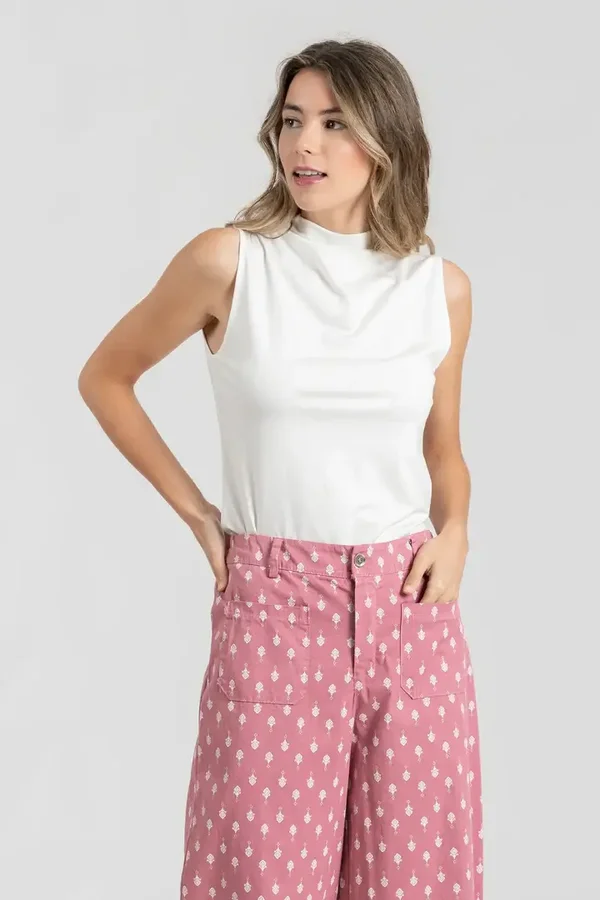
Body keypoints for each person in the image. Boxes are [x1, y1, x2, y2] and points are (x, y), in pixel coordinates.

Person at [78, 37, 483, 900]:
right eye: (293, 120)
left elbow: (443, 448)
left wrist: (455, 530)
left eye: (335, 124)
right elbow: (106, 377)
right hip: (277, 610)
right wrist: (200, 515)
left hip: (411, 610)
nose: (304, 143)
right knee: (258, 881)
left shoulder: (439, 288)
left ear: (387, 140)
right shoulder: (230, 262)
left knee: (419, 881)